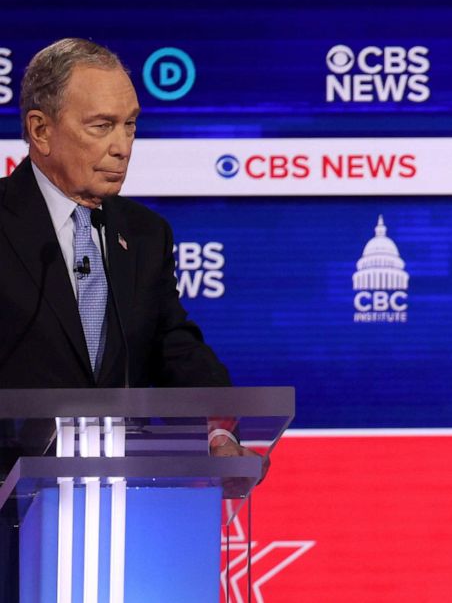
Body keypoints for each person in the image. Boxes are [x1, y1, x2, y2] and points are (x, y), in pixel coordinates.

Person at [0, 38, 263, 602]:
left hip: (116, 517)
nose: (122, 147)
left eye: (131, 126)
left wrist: (220, 426)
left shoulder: (143, 234)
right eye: (101, 126)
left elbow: (174, 344)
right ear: (40, 130)